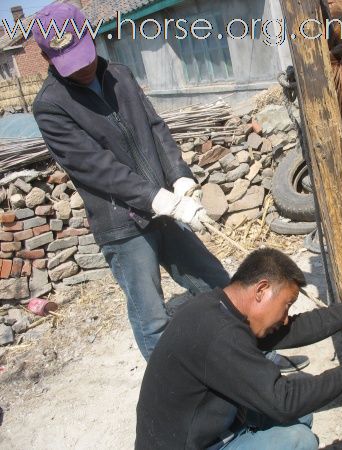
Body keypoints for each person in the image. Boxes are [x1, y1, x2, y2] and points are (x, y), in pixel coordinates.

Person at [30, 3, 308, 372]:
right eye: (68, 62)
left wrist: (180, 178)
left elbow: (156, 129)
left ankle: (257, 361)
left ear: (90, 36)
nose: (81, 68)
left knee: (219, 286)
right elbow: (95, 167)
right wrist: (158, 198)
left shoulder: (119, 75)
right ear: (48, 56)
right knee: (152, 317)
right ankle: (179, 391)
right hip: (122, 224)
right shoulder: (51, 106)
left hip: (164, 210)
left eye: (82, 55)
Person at [136, 248, 342, 449]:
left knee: (303, 400)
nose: (286, 316)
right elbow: (284, 402)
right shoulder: (221, 336)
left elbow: (293, 329)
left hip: (205, 428)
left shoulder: (218, 308)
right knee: (298, 439)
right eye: (287, 305)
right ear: (262, 290)